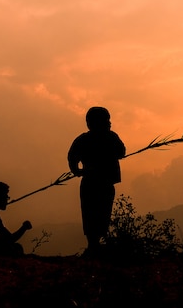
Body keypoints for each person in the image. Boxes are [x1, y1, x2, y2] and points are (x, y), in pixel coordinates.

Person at [68, 106, 126, 258]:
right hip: (102, 184)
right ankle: (94, 246)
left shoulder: (84, 139)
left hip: (91, 183)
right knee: (98, 213)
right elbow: (122, 152)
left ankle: (93, 245)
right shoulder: (111, 137)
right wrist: (77, 170)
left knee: (93, 214)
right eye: (106, 120)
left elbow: (72, 158)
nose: (109, 123)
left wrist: (77, 171)